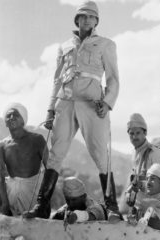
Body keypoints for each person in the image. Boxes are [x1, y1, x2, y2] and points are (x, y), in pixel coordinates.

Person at [24, 1, 120, 219]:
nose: (86, 19)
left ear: (96, 21)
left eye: (91, 16)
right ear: (76, 19)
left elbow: (114, 79)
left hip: (92, 103)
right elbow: (57, 80)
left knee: (99, 153)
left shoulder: (106, 44)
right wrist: (50, 110)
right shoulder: (65, 46)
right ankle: (42, 205)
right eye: (82, 16)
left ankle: (112, 206)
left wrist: (107, 103)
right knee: (56, 153)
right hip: (65, 102)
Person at [0, 103, 47, 216]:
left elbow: (50, 168)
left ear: (23, 120)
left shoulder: (37, 139)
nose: (11, 117)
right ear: (5, 122)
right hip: (11, 191)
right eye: (8, 116)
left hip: (34, 193)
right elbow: (0, 174)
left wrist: (44, 201)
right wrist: (5, 203)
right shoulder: (1, 145)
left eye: (15, 114)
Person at [125, 113, 160, 214]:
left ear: (145, 133)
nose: (134, 136)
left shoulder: (155, 153)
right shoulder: (134, 154)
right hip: (141, 208)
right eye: (131, 134)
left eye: (138, 133)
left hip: (158, 209)